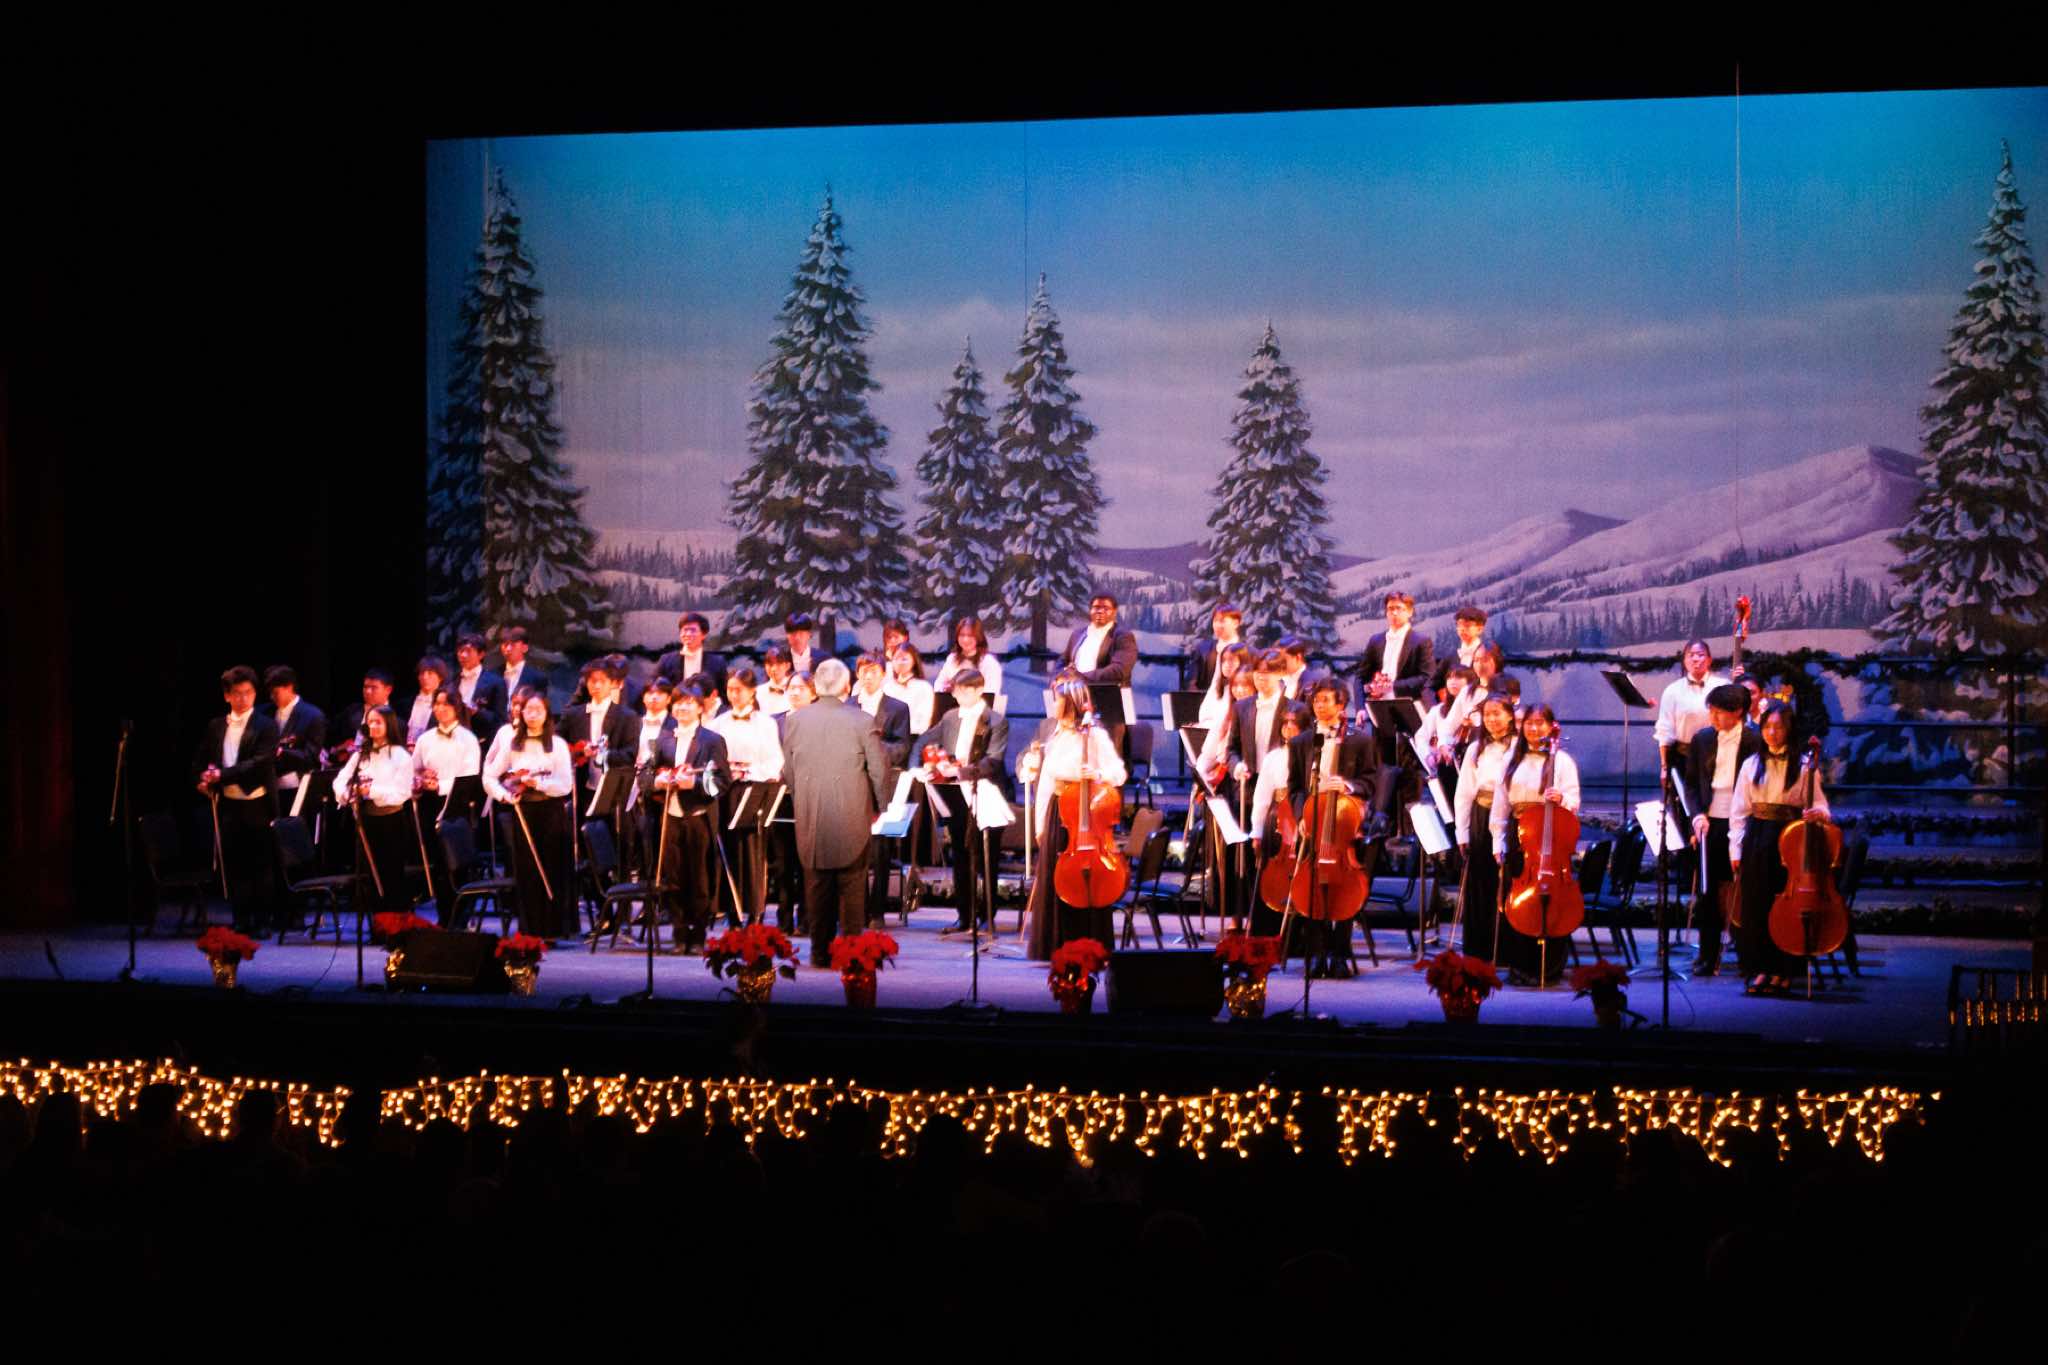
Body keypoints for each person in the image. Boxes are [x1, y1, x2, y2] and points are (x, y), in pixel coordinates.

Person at [1255, 681, 1379, 970]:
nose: (1319, 705)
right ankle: (1317, 953)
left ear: (1341, 705)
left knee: (1344, 884)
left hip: (1345, 820)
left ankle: (1340, 953)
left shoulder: (1360, 740)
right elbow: (1295, 786)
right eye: (1316, 701)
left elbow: (1371, 781)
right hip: (1313, 819)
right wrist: (1302, 816)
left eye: (1325, 700)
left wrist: (1348, 786)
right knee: (1310, 883)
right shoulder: (1302, 742)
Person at [780, 659, 890, 967]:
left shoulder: (796, 720)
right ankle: (851, 955)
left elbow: (789, 770)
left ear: (816, 686)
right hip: (852, 811)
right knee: (852, 887)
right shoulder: (862, 720)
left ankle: (820, 953)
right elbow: (879, 770)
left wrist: (801, 798)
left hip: (810, 812)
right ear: (846, 685)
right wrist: (880, 806)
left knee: (817, 886)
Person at [1021, 671, 1128, 960]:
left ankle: (1089, 943)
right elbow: (1046, 782)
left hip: (1083, 815)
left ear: (1071, 703)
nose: (1054, 704)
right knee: (1056, 879)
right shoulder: (1055, 735)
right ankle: (1055, 946)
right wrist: (1040, 824)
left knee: (1086, 880)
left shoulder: (1094, 735)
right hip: (1059, 813)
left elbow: (1118, 773)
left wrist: (1097, 773)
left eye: (1058, 700)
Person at [1730, 702, 1833, 996]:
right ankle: (1760, 968)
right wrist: (1735, 850)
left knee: (1785, 905)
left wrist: (1818, 813)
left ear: (1789, 730)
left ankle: (1784, 970)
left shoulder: (1804, 765)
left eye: (1778, 727)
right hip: (1757, 837)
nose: (1772, 733)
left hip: (1789, 839)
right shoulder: (1751, 764)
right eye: (1767, 727)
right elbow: (1739, 812)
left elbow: (1821, 805)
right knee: (1757, 904)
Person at [1488, 703, 1581, 984]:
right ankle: (1520, 967)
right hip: (1521, 835)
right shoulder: (1510, 759)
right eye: (1529, 722)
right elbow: (1500, 805)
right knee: (1518, 899)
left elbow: (1574, 800)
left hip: (1552, 834)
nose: (1534, 728)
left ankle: (1551, 967)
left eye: (1540, 723)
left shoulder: (1562, 761)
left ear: (1551, 727)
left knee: (1554, 901)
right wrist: (1497, 841)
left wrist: (1561, 799)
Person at [916, 670, 1011, 936]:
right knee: (960, 852)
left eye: (963, 691)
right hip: (957, 794)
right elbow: (925, 739)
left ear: (978, 690)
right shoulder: (949, 716)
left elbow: (993, 760)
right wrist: (921, 766)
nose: (957, 696)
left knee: (986, 856)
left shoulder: (996, 721)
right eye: (956, 691)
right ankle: (964, 915)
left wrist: (960, 771)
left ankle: (987, 916)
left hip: (986, 793)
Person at [192, 666, 280, 933]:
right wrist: (204, 777)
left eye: (248, 693)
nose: (243, 698)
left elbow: (260, 762)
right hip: (228, 803)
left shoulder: (266, 725)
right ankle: (241, 919)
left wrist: (222, 774)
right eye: (237, 693)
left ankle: (262, 921)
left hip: (256, 802)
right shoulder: (216, 726)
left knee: (260, 864)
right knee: (235, 863)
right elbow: (202, 757)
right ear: (227, 696)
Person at [482, 691, 575, 939]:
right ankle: (530, 929)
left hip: (551, 811)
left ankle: (553, 929)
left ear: (547, 714)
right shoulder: (513, 743)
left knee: (552, 868)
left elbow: (565, 785)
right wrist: (504, 795)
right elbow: (489, 776)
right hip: (524, 811)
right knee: (527, 871)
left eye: (538, 710)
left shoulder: (557, 744)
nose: (533, 715)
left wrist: (539, 784)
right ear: (520, 713)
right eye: (528, 710)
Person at [1686, 683, 1763, 977]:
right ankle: (1707, 955)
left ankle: (1747, 956)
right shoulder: (1702, 739)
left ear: (1738, 712)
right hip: (1711, 823)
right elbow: (1691, 785)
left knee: (1742, 890)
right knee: (1708, 892)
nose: (1713, 717)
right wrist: (1697, 816)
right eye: (1711, 711)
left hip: (1743, 823)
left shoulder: (1755, 740)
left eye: (1718, 712)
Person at [648, 682, 728, 950]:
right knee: (672, 877)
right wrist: (658, 781)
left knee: (699, 877)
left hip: (698, 816)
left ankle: (699, 933)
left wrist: (694, 784)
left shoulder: (712, 740)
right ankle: (679, 931)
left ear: (700, 708)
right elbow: (647, 775)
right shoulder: (663, 739)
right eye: (678, 702)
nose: (682, 707)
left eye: (689, 703)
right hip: (670, 816)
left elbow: (722, 782)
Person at [711, 666, 785, 926]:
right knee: (729, 850)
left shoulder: (766, 723)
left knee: (752, 850)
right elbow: (712, 758)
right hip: (726, 791)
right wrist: (727, 771)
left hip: (754, 789)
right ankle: (732, 912)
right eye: (730, 690)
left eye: (739, 690)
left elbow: (775, 760)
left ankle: (755, 912)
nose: (733, 695)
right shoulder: (718, 723)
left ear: (752, 691)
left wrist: (749, 771)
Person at [1453, 695, 1518, 964]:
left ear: (1510, 716)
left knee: (1508, 881)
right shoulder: (1475, 748)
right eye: (1487, 714)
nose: (1491, 719)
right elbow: (1464, 792)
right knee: (1481, 882)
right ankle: (1479, 952)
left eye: (1497, 713)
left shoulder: (1519, 746)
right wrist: (1462, 831)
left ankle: (1507, 951)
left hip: (1510, 817)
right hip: (1481, 815)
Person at [334, 704, 416, 916]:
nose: (372, 726)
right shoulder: (361, 755)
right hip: (366, 820)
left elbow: (402, 793)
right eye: (369, 722)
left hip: (392, 820)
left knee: (391, 874)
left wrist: (371, 791)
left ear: (389, 724)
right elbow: (340, 780)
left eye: (378, 722)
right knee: (369, 874)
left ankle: (394, 921)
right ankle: (376, 922)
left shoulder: (401, 756)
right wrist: (348, 793)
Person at [412, 687, 481, 925]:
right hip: (430, 805)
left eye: (446, 704)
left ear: (456, 708)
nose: (440, 709)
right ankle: (444, 918)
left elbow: (470, 777)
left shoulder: (468, 739)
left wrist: (439, 784)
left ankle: (460, 918)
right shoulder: (425, 739)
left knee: (457, 863)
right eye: (437, 704)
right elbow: (414, 770)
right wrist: (421, 778)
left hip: (456, 805)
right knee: (438, 864)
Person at [261, 665, 326, 814]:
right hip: (268, 787)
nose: (272, 697)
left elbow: (311, 756)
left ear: (289, 687)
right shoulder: (265, 712)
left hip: (296, 788)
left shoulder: (312, 715)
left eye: (275, 693)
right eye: (270, 693)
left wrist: (282, 752)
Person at [1358, 592, 1435, 702]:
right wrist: (1361, 707)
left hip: (1407, 703)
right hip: (1376, 704)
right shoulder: (1375, 640)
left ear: (1410, 612)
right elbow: (1361, 676)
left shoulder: (1421, 641)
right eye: (1390, 609)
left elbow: (1427, 677)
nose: (1394, 613)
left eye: (1399, 608)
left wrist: (1392, 686)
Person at [453, 634, 509, 740]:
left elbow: (500, 720)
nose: (463, 655)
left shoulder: (496, 682)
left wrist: (477, 712)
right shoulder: (452, 680)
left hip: (481, 741)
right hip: (452, 739)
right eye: (460, 651)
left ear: (481, 654)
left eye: (468, 651)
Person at [932, 615, 1003, 698]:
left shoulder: (989, 662)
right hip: (952, 703)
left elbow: (991, 692)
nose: (965, 640)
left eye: (970, 635)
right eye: (962, 635)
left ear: (978, 637)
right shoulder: (952, 658)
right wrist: (945, 688)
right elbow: (939, 684)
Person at [656, 612, 726, 695]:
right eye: (685, 630)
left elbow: (723, 692)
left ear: (704, 634)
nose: (688, 634)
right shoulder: (666, 660)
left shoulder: (717, 662)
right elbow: (657, 688)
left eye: (693, 630)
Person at [1432, 605, 1490, 695]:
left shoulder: (1487, 655)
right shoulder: (1450, 657)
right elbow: (1429, 686)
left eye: (1467, 625)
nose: (1462, 629)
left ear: (1480, 629)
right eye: (1459, 625)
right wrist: (1434, 703)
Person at [1196, 641, 1254, 731]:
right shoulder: (1221, 687)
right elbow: (1204, 715)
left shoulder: (1247, 690)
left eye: (1231, 660)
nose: (1226, 665)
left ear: (1243, 661)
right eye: (1223, 661)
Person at [1189, 603, 1245, 693]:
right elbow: (1192, 683)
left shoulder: (1248, 652)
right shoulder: (1203, 650)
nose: (1217, 625)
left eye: (1222, 621)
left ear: (1236, 623)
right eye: (1215, 621)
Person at [885, 642, 936, 738]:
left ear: (914, 661)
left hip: (913, 737)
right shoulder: (887, 687)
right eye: (896, 659)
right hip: (887, 736)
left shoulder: (924, 687)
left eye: (904, 659)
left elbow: (923, 722)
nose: (900, 662)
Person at [404, 656, 450, 745]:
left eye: (430, 673)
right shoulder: (405, 704)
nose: (425, 677)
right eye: (422, 673)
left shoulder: (448, 705)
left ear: (440, 677)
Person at [498, 625, 550, 700]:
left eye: (513, 645)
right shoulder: (492, 673)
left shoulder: (538, 678)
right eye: (505, 645)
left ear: (524, 648)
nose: (508, 649)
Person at [757, 646, 798, 717]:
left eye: (779, 664)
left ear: (787, 666)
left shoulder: (796, 689)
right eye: (770, 664)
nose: (774, 669)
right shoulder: (758, 691)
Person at [783, 612, 818, 677]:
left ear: (809, 634)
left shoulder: (822, 659)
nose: (797, 638)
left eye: (801, 633)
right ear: (787, 636)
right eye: (793, 634)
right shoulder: (781, 660)